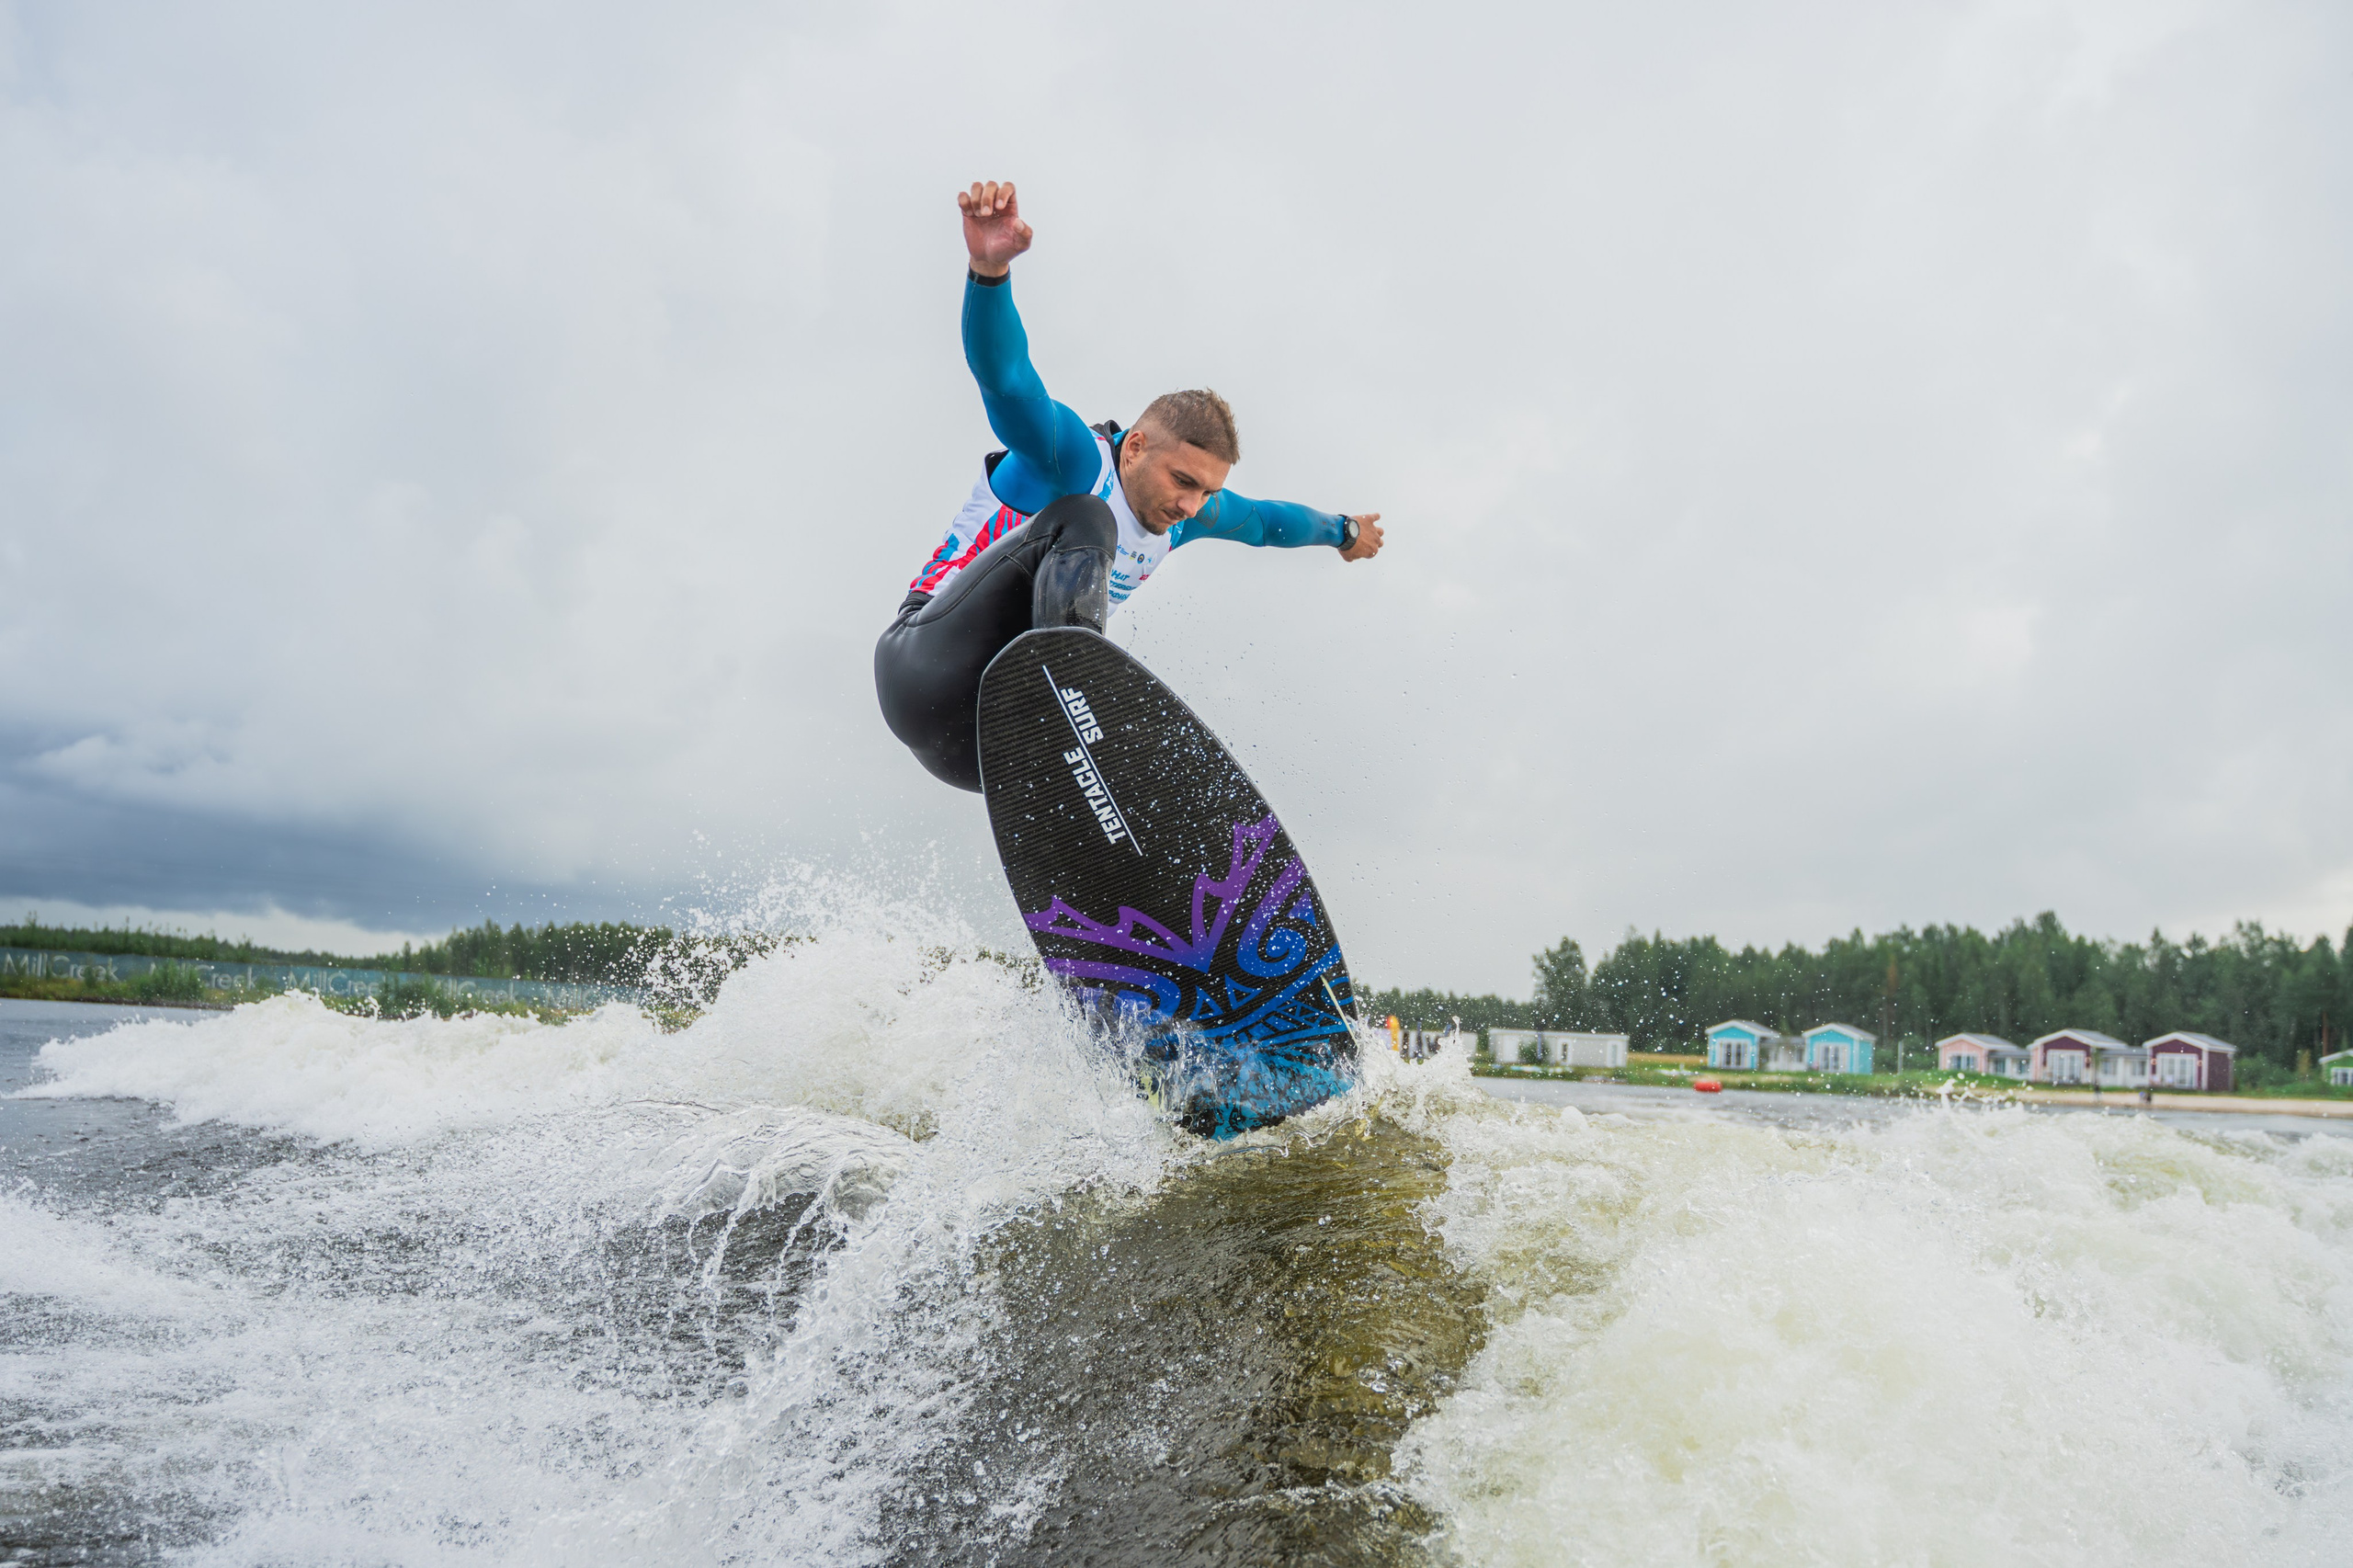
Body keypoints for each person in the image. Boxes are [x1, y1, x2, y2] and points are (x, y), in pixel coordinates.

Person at [874, 180, 1385, 791]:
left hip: (988, 746)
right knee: (1089, 519)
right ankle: (1077, 703)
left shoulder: (1191, 515)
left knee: (1162, 751)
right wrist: (989, 271)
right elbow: (1007, 381)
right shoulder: (1069, 458)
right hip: (927, 667)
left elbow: (1268, 522)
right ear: (1136, 447)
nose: (1191, 505)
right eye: (1183, 481)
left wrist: (1343, 531)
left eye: (1205, 491)